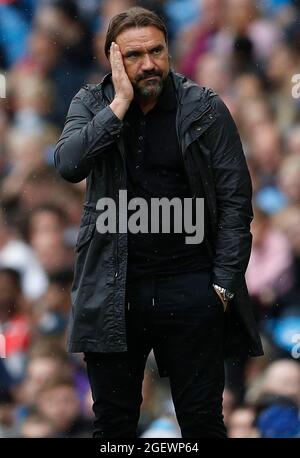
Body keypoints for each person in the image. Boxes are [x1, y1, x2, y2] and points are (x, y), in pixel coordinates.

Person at [54, 7, 263, 438]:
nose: (148, 63)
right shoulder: (91, 103)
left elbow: (236, 202)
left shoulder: (205, 107)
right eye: (134, 55)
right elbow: (69, 164)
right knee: (113, 428)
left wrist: (222, 284)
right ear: (112, 58)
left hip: (190, 284)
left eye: (157, 51)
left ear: (170, 51)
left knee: (203, 424)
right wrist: (119, 106)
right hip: (114, 288)